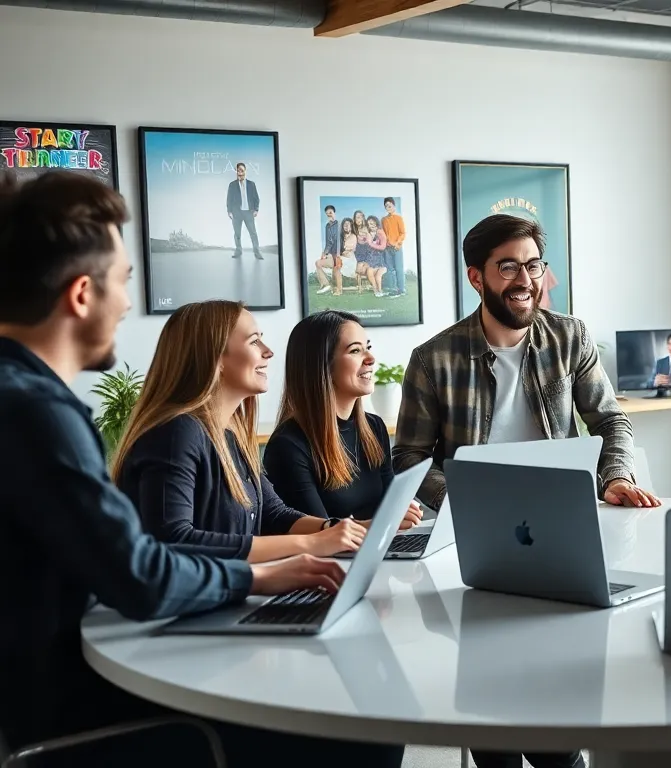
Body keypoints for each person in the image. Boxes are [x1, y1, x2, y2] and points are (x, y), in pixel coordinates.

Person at [0, 170, 404, 767]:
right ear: (83, 295)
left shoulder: (26, 400)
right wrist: (264, 576)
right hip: (80, 707)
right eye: (124, 282)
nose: (130, 303)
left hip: (73, 674)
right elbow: (145, 570)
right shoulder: (37, 415)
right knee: (364, 726)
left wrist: (298, 552)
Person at [394, 212, 657, 768]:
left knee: (557, 728)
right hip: (475, 539)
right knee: (491, 728)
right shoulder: (433, 359)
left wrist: (613, 477)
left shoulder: (570, 337)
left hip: (563, 531)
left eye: (533, 265)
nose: (525, 279)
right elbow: (411, 463)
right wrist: (475, 492)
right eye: (508, 266)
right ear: (477, 277)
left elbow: (611, 421)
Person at [111, 300, 367, 563]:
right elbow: (174, 539)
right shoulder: (176, 433)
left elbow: (274, 514)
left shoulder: (231, 433)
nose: (268, 352)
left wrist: (337, 530)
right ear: (215, 357)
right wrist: (311, 543)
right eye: (254, 341)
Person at [264, 310, 422, 526]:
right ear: (322, 365)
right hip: (330, 559)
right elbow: (320, 535)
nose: (370, 359)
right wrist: (384, 523)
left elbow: (389, 506)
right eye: (355, 350)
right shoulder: (288, 445)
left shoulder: (374, 428)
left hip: (379, 552)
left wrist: (403, 511)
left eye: (368, 348)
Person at [226, 161, 262, 260]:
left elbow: (256, 198)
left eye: (242, 170)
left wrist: (256, 209)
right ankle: (238, 250)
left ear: (245, 171)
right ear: (236, 172)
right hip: (237, 213)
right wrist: (229, 211)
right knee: (237, 233)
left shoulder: (251, 184)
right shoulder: (232, 185)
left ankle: (257, 252)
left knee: (253, 233)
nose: (240, 173)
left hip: (248, 212)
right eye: (238, 171)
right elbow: (229, 199)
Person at [382, 196, 407, 298]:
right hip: (387, 249)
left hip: (397, 248)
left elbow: (403, 233)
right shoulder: (383, 220)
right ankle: (393, 289)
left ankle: (401, 290)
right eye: (386, 206)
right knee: (390, 269)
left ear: (394, 206)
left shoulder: (398, 218)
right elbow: (383, 234)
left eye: (390, 205)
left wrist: (398, 243)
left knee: (399, 269)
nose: (388, 207)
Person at [315, 204, 340, 295]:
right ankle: (325, 284)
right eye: (327, 213)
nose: (329, 214)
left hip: (338, 255)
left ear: (334, 212)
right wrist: (324, 253)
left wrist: (326, 253)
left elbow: (334, 240)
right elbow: (328, 242)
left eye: (330, 212)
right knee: (318, 263)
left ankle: (326, 285)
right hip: (330, 254)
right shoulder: (327, 226)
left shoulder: (339, 224)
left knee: (319, 263)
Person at [364, 215, 389, 297]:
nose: (371, 225)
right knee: (369, 272)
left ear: (376, 222)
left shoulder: (380, 232)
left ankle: (380, 291)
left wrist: (371, 244)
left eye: (372, 223)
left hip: (381, 259)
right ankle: (375, 290)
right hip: (372, 259)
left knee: (378, 274)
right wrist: (370, 243)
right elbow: (368, 246)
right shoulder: (368, 234)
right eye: (369, 224)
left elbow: (383, 247)